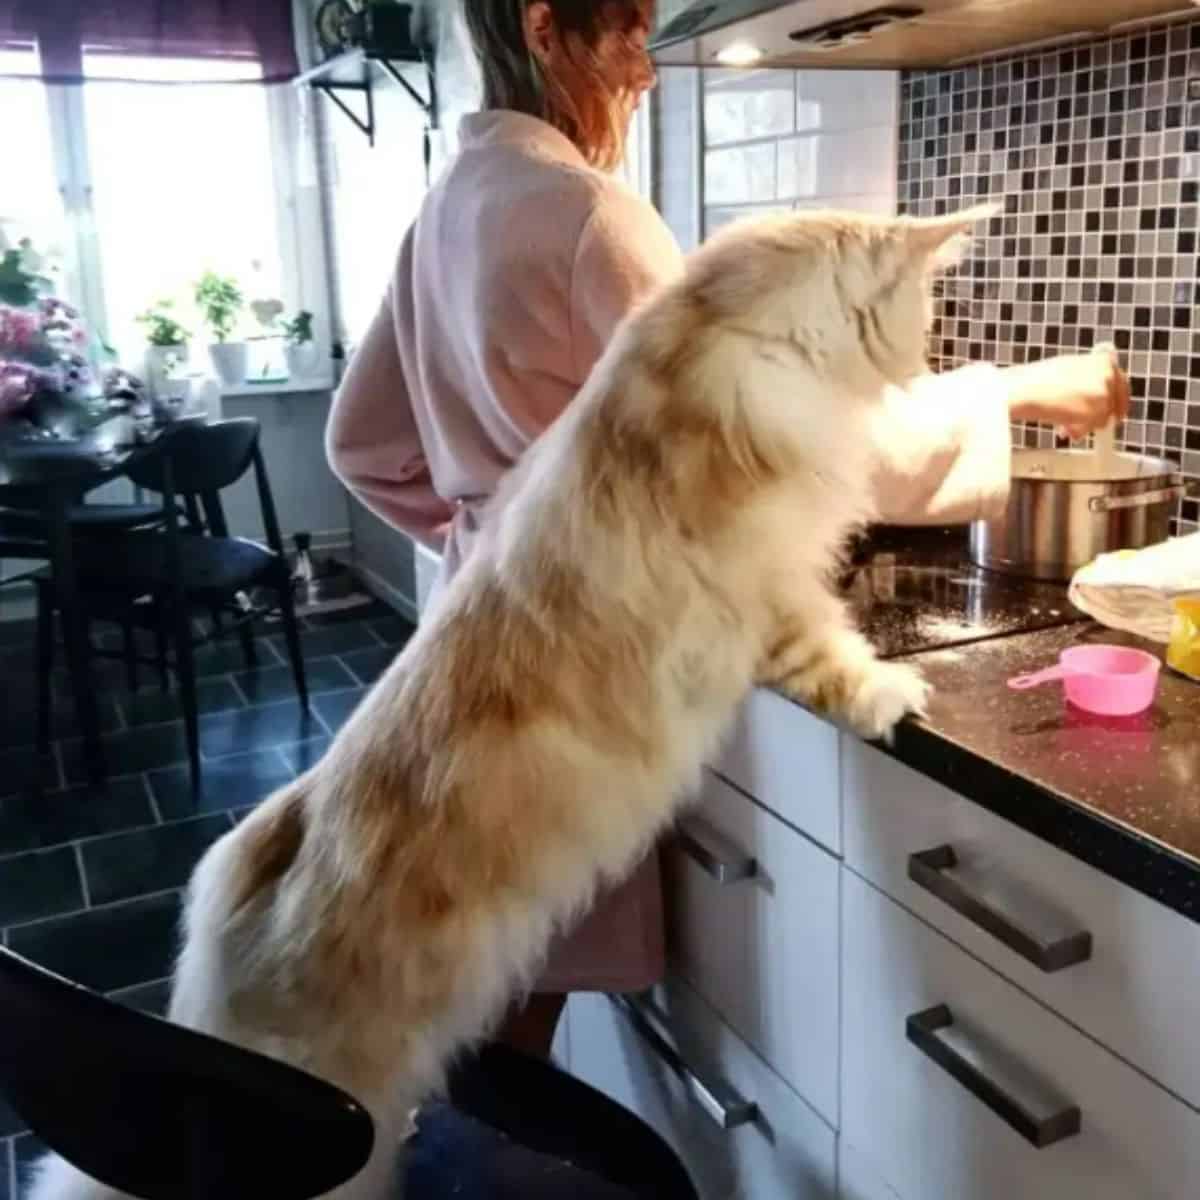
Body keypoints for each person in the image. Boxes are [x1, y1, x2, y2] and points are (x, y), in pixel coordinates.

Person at [326, 0, 1128, 1058]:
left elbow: (364, 445)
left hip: (487, 645)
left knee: (487, 953)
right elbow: (761, 455)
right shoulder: (586, 213)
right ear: (543, 26)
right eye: (627, 35)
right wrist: (1024, 387)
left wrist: (499, 550)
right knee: (516, 982)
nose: (647, 72)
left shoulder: (451, 202)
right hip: (591, 675)